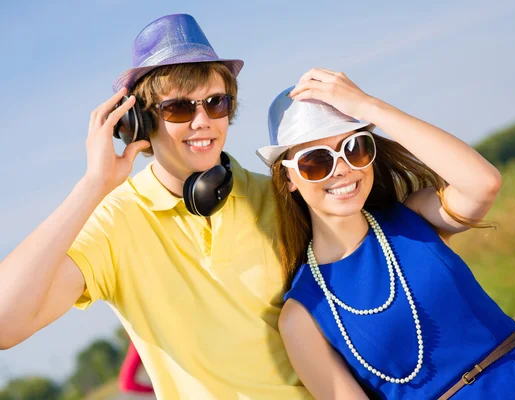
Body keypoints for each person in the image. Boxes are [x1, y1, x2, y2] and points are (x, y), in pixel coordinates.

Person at [0, 14, 311, 399]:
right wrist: (92, 185)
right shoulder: (115, 223)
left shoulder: (281, 197)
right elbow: (4, 325)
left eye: (216, 103)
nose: (203, 121)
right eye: (179, 108)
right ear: (139, 122)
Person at [256, 69, 515, 399]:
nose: (343, 169)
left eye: (354, 147)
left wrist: (368, 106)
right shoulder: (302, 314)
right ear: (288, 179)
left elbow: (483, 183)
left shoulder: (414, 218)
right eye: (316, 161)